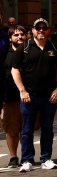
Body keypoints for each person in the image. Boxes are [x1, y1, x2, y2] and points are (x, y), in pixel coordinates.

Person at [11, 18, 57, 172]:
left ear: (49, 30)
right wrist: (22, 91)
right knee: (27, 129)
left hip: (50, 96)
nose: (41, 30)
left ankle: (46, 158)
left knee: (47, 128)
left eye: (44, 28)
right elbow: (15, 70)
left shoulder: (55, 48)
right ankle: (27, 160)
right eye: (38, 28)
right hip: (29, 96)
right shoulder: (24, 48)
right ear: (33, 30)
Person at [3, 26, 26, 168]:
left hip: (28, 96)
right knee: (11, 129)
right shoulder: (4, 53)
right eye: (16, 35)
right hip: (9, 96)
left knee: (26, 128)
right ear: (10, 38)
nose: (19, 37)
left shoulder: (31, 51)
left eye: (22, 34)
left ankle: (26, 156)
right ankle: (13, 157)